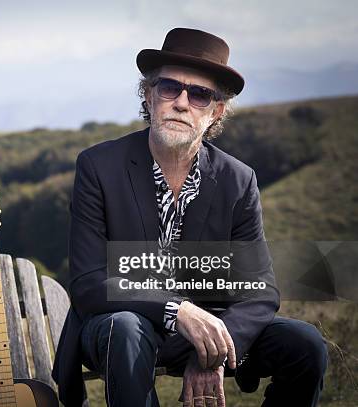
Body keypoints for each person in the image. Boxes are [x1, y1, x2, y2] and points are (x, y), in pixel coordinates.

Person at [51, 28, 328, 407]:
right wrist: (176, 310)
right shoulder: (98, 166)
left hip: (202, 327)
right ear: (149, 96)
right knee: (128, 329)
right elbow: (88, 283)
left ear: (215, 111)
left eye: (199, 94)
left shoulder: (238, 179)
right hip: (120, 323)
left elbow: (261, 291)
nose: (182, 102)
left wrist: (212, 345)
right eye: (169, 88)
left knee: (306, 345)